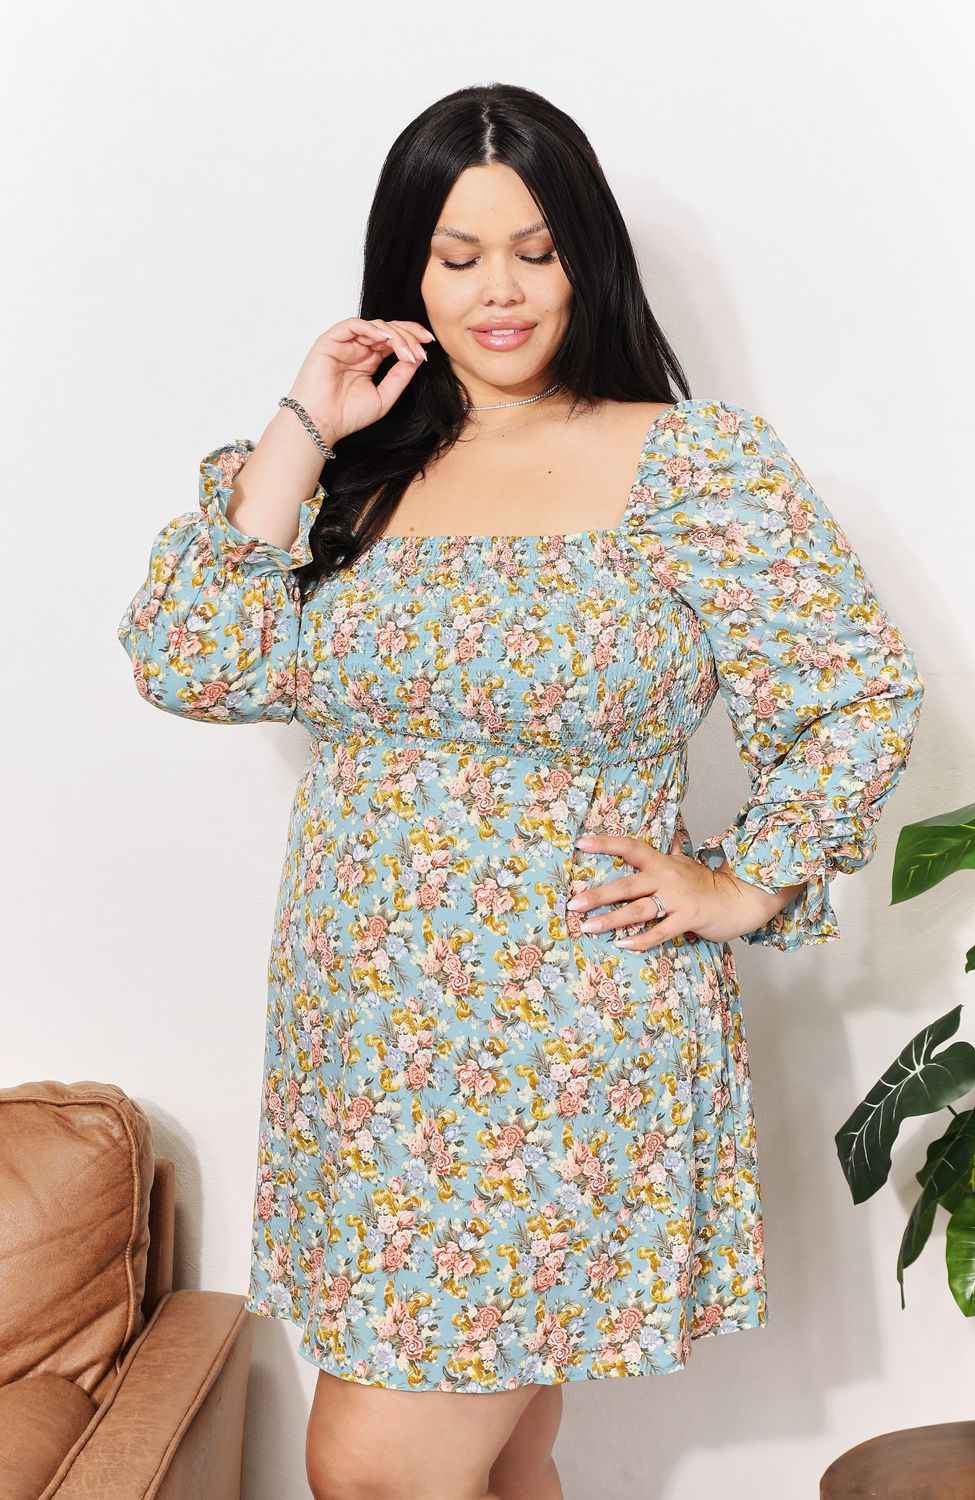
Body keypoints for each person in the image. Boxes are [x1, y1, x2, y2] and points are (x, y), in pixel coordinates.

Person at [117, 81, 925, 1500]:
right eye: (457, 254)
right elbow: (191, 663)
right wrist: (308, 420)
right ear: (406, 275)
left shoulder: (691, 464)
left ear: (587, 258)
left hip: (563, 1031)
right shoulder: (344, 477)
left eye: (536, 250)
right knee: (496, 1460)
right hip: (362, 1039)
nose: (501, 290)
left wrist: (744, 879)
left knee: (376, 1465)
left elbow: (858, 688)